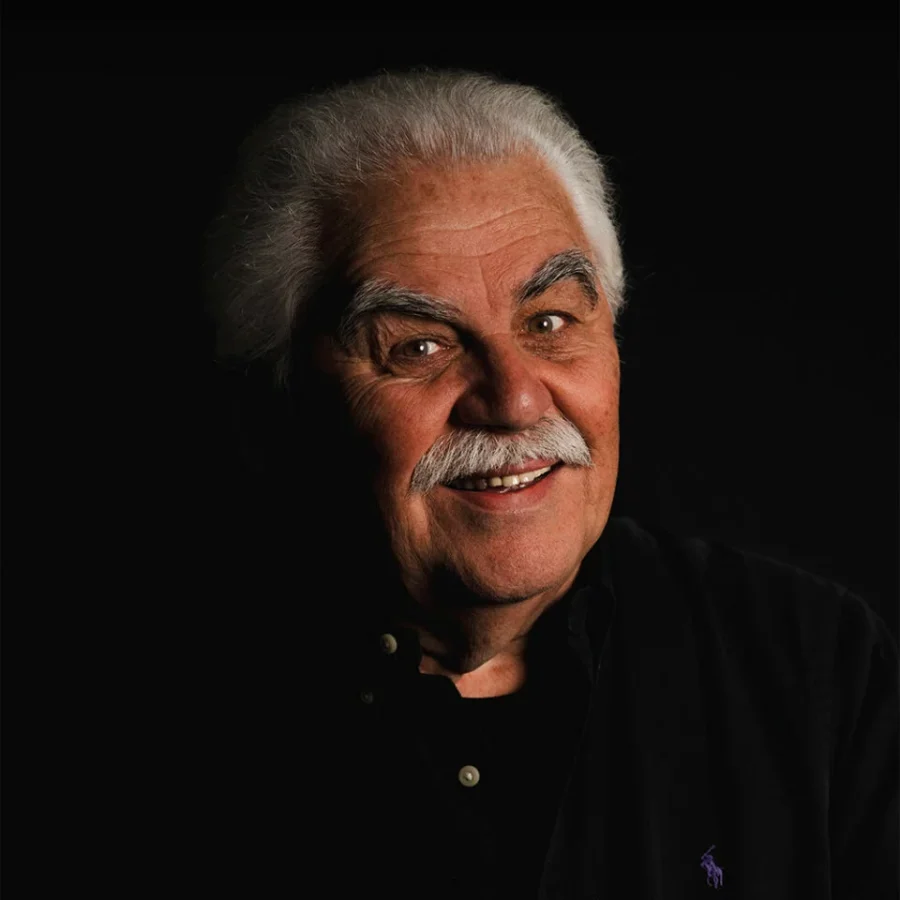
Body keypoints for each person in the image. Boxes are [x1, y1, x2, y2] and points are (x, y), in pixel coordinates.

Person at [196, 71, 898, 898]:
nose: (515, 399)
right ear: (279, 401)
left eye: (550, 321)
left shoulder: (813, 668)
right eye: (419, 346)